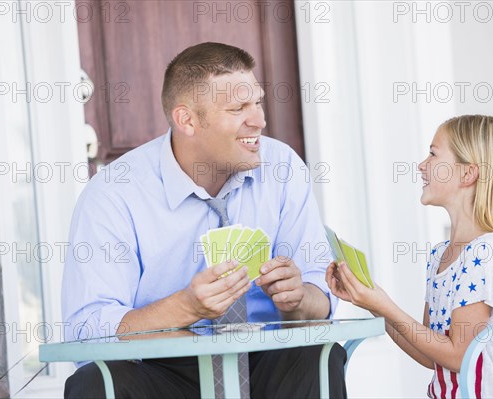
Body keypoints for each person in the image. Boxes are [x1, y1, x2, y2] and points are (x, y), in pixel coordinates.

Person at [62, 42, 346, 398]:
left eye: (257, 102)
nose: (259, 120)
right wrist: (186, 306)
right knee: (95, 383)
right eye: (238, 108)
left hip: (264, 356)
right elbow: (87, 330)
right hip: (160, 366)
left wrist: (299, 297)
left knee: (318, 355)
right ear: (187, 120)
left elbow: (322, 300)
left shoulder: (283, 167)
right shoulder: (113, 192)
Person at [326, 115, 493, 398]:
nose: (421, 165)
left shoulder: (486, 252)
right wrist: (374, 303)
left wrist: (385, 305)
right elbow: (432, 356)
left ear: (468, 174)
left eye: (433, 154)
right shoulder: (439, 256)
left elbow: (458, 356)